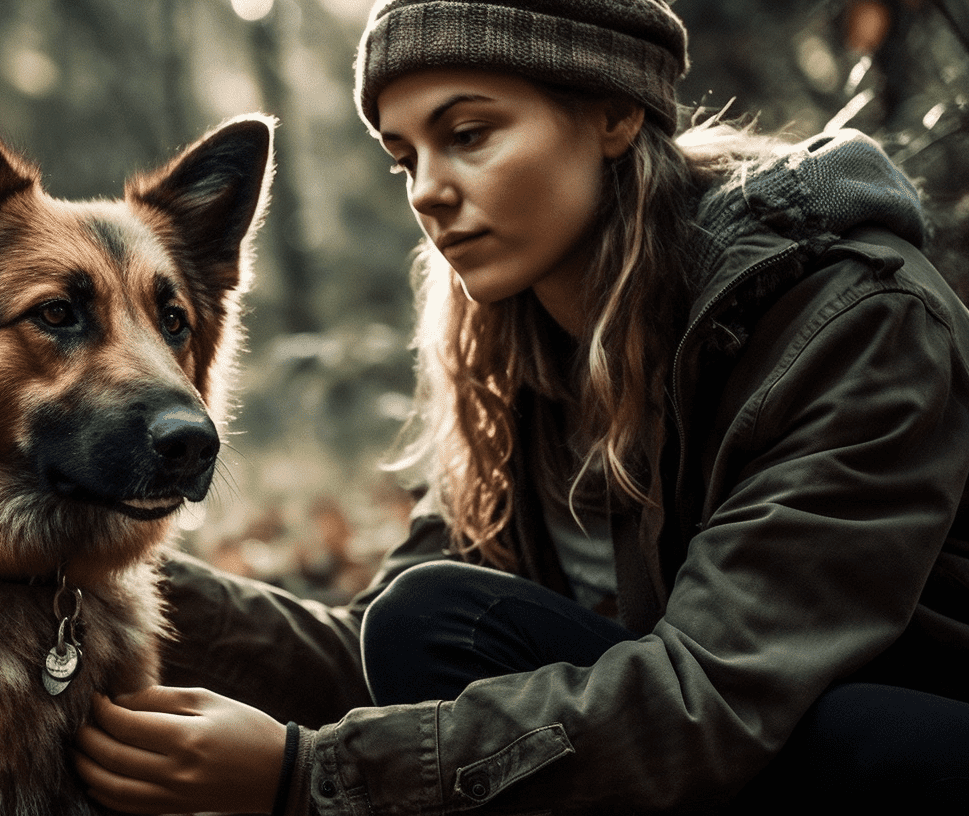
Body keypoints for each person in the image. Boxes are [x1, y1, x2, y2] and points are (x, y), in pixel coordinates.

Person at [73, 1, 969, 813]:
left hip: (884, 745)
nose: (427, 188)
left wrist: (310, 776)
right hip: (701, 743)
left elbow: (719, 694)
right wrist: (97, 582)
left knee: (859, 726)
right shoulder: (514, 349)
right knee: (427, 622)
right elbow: (370, 659)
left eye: (467, 133)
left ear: (615, 114)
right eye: (405, 157)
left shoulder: (851, 322)